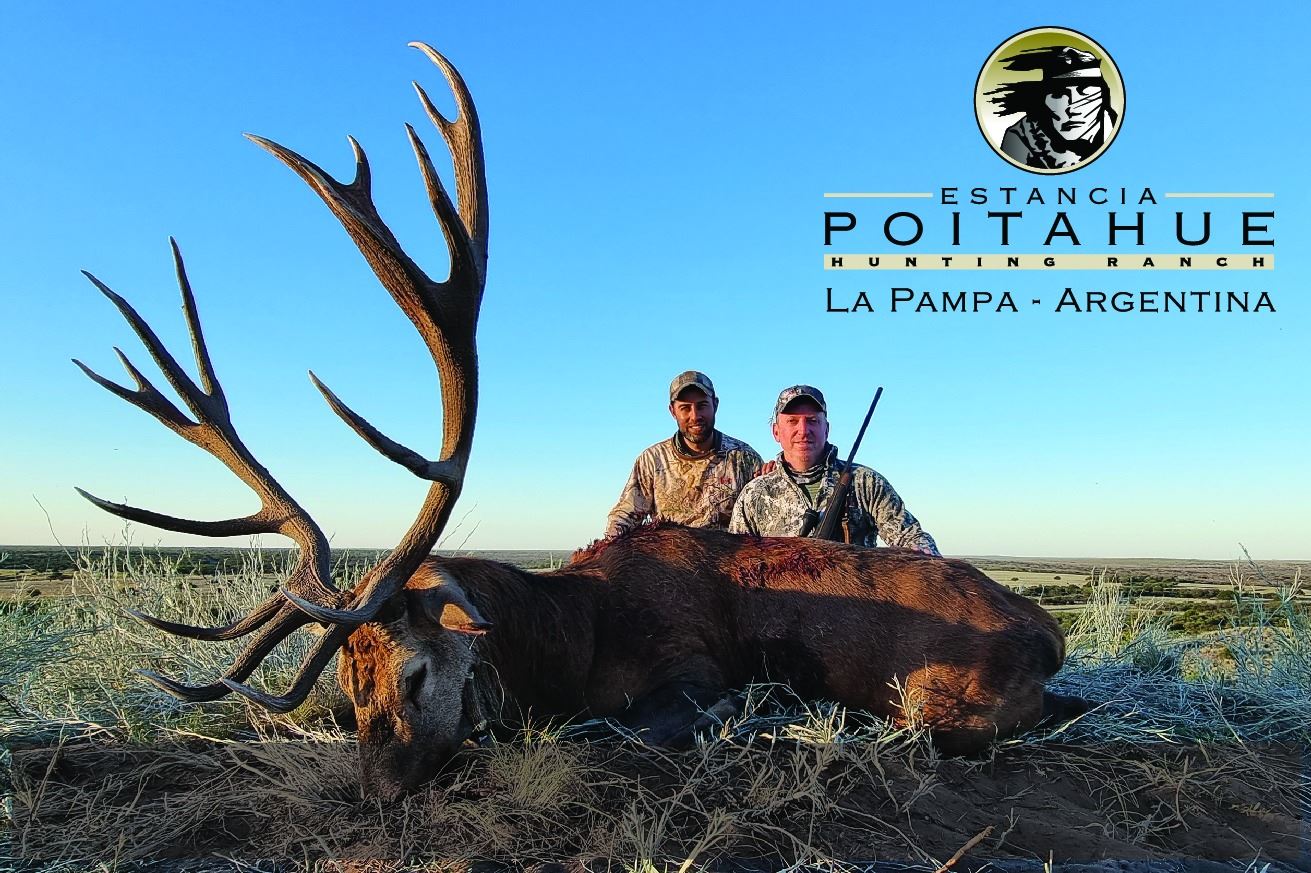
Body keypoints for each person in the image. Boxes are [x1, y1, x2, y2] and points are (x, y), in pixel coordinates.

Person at [729, 385, 939, 554]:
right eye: (792, 421)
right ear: (776, 432)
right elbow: (737, 559)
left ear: (826, 429)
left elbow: (910, 536)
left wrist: (925, 555)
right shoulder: (754, 494)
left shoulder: (866, 482)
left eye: (812, 421)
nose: (803, 430)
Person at [605, 371, 762, 538]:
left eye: (702, 406)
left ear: (715, 405)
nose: (695, 416)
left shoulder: (744, 458)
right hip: (669, 554)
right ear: (672, 411)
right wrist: (608, 544)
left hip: (730, 552)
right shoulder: (652, 460)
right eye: (685, 408)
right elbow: (624, 516)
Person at [985, 45, 1119, 171]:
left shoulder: (1122, 130)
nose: (1072, 108)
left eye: (1084, 91)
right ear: (1044, 99)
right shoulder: (1020, 137)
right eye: (1059, 94)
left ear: (1103, 96)